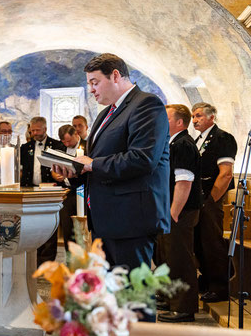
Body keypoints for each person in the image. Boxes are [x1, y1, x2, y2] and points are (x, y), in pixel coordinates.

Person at [54, 53, 170, 275]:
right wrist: (72, 171)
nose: (91, 89)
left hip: (130, 219)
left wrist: (92, 164)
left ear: (115, 76)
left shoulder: (146, 104)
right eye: (89, 84)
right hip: (105, 219)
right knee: (113, 297)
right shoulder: (106, 113)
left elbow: (142, 159)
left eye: (94, 82)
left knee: (131, 298)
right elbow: (94, 162)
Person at [156, 105, 202, 323]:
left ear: (180, 122)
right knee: (167, 255)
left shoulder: (183, 144)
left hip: (180, 211)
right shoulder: (174, 142)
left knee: (180, 257)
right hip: (170, 209)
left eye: (166, 118)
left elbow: (184, 181)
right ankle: (169, 297)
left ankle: (184, 307)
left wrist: (173, 212)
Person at [192, 102, 237, 303]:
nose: (195, 120)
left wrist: (211, 201)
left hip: (211, 197)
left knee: (212, 242)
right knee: (198, 242)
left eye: (199, 116)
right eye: (193, 116)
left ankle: (220, 286)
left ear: (211, 117)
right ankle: (207, 278)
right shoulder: (198, 140)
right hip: (197, 197)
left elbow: (226, 174)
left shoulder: (222, 138)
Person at [20, 116, 65, 266]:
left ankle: (46, 262)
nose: (34, 133)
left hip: (49, 191)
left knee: (48, 225)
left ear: (45, 129)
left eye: (37, 130)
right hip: (30, 190)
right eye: (32, 130)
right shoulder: (25, 148)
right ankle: (33, 260)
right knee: (31, 225)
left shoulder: (57, 145)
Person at [57, 124, 85, 252]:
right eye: (64, 141)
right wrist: (55, 174)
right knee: (68, 230)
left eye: (69, 141)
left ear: (76, 135)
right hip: (67, 193)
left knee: (82, 229)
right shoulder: (60, 148)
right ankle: (70, 261)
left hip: (83, 192)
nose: (66, 144)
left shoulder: (88, 145)